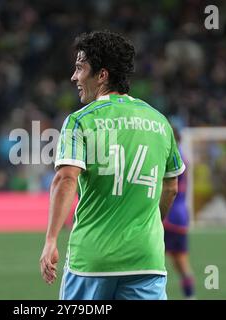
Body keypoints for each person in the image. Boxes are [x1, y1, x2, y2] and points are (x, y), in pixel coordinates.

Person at [39, 30, 185, 300]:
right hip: (146, 259)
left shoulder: (80, 121)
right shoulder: (160, 122)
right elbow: (171, 187)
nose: (74, 77)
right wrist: (148, 227)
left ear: (102, 75)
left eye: (80, 68)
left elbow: (66, 179)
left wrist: (50, 240)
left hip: (92, 261)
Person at [163, 127, 196, 299]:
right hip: (181, 216)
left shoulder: (171, 156)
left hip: (168, 215)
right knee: (180, 262)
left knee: (146, 260)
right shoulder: (182, 156)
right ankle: (191, 296)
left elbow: (168, 188)